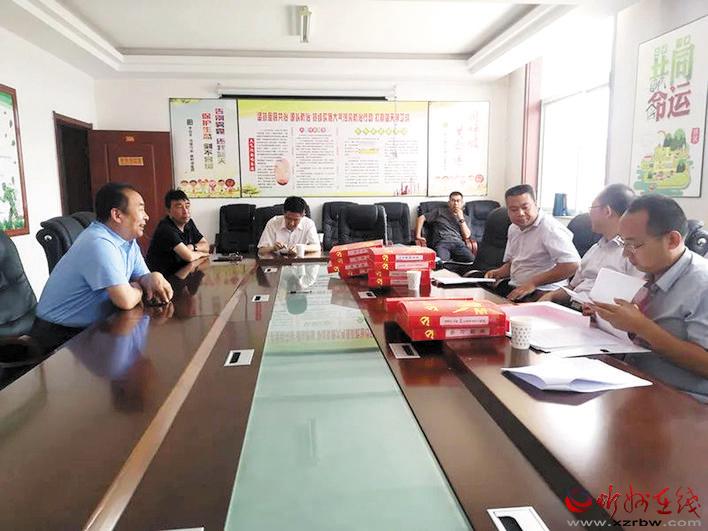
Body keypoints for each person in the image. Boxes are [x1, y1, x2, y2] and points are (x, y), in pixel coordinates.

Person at [588, 194, 708, 400]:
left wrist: (641, 327)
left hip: (682, 399)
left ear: (672, 240)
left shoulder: (701, 286)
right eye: (623, 243)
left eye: (634, 245)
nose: (626, 254)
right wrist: (607, 317)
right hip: (633, 379)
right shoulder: (651, 271)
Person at [33, 183, 173, 354]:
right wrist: (138, 288)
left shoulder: (127, 241)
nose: (147, 216)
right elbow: (125, 300)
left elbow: (141, 276)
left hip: (92, 328)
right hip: (59, 336)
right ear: (117, 215)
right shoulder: (98, 242)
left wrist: (152, 277)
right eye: (141, 209)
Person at [540, 184, 642, 306]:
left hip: (599, 315)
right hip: (574, 308)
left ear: (607, 211)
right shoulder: (595, 249)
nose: (589, 214)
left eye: (592, 208)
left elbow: (636, 300)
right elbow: (572, 287)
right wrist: (551, 296)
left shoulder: (632, 254)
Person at [485, 184, 580, 301]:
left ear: (536, 204)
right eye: (514, 209)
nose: (520, 213)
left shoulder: (549, 228)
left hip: (545, 293)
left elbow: (572, 265)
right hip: (517, 289)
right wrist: (499, 272)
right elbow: (515, 262)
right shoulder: (514, 228)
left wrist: (533, 283)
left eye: (525, 207)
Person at [146, 189, 209, 276]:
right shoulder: (166, 228)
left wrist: (192, 247)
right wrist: (202, 254)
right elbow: (189, 257)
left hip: (180, 273)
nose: (185, 211)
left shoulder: (189, 223)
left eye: (187, 206)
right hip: (161, 277)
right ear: (168, 211)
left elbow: (206, 246)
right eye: (179, 207)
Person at [415, 191, 476, 262]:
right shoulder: (440, 212)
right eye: (453, 200)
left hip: (458, 244)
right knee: (442, 262)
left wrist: (461, 218)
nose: (455, 203)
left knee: (471, 260)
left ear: (462, 203)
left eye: (458, 201)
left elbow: (466, 236)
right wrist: (418, 236)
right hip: (442, 243)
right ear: (449, 203)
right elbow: (421, 218)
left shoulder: (465, 218)